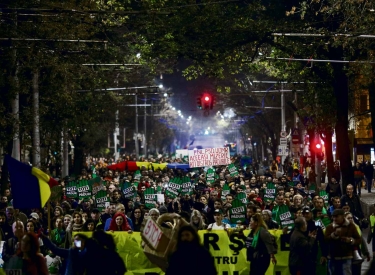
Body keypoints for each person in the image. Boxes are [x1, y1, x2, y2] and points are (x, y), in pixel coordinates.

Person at [325, 209, 361, 274]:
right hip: (333, 257)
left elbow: (358, 239)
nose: (335, 218)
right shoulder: (329, 227)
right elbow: (326, 240)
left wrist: (350, 240)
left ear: (342, 216)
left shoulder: (351, 226)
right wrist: (334, 234)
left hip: (346, 256)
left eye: (337, 216)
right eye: (333, 216)